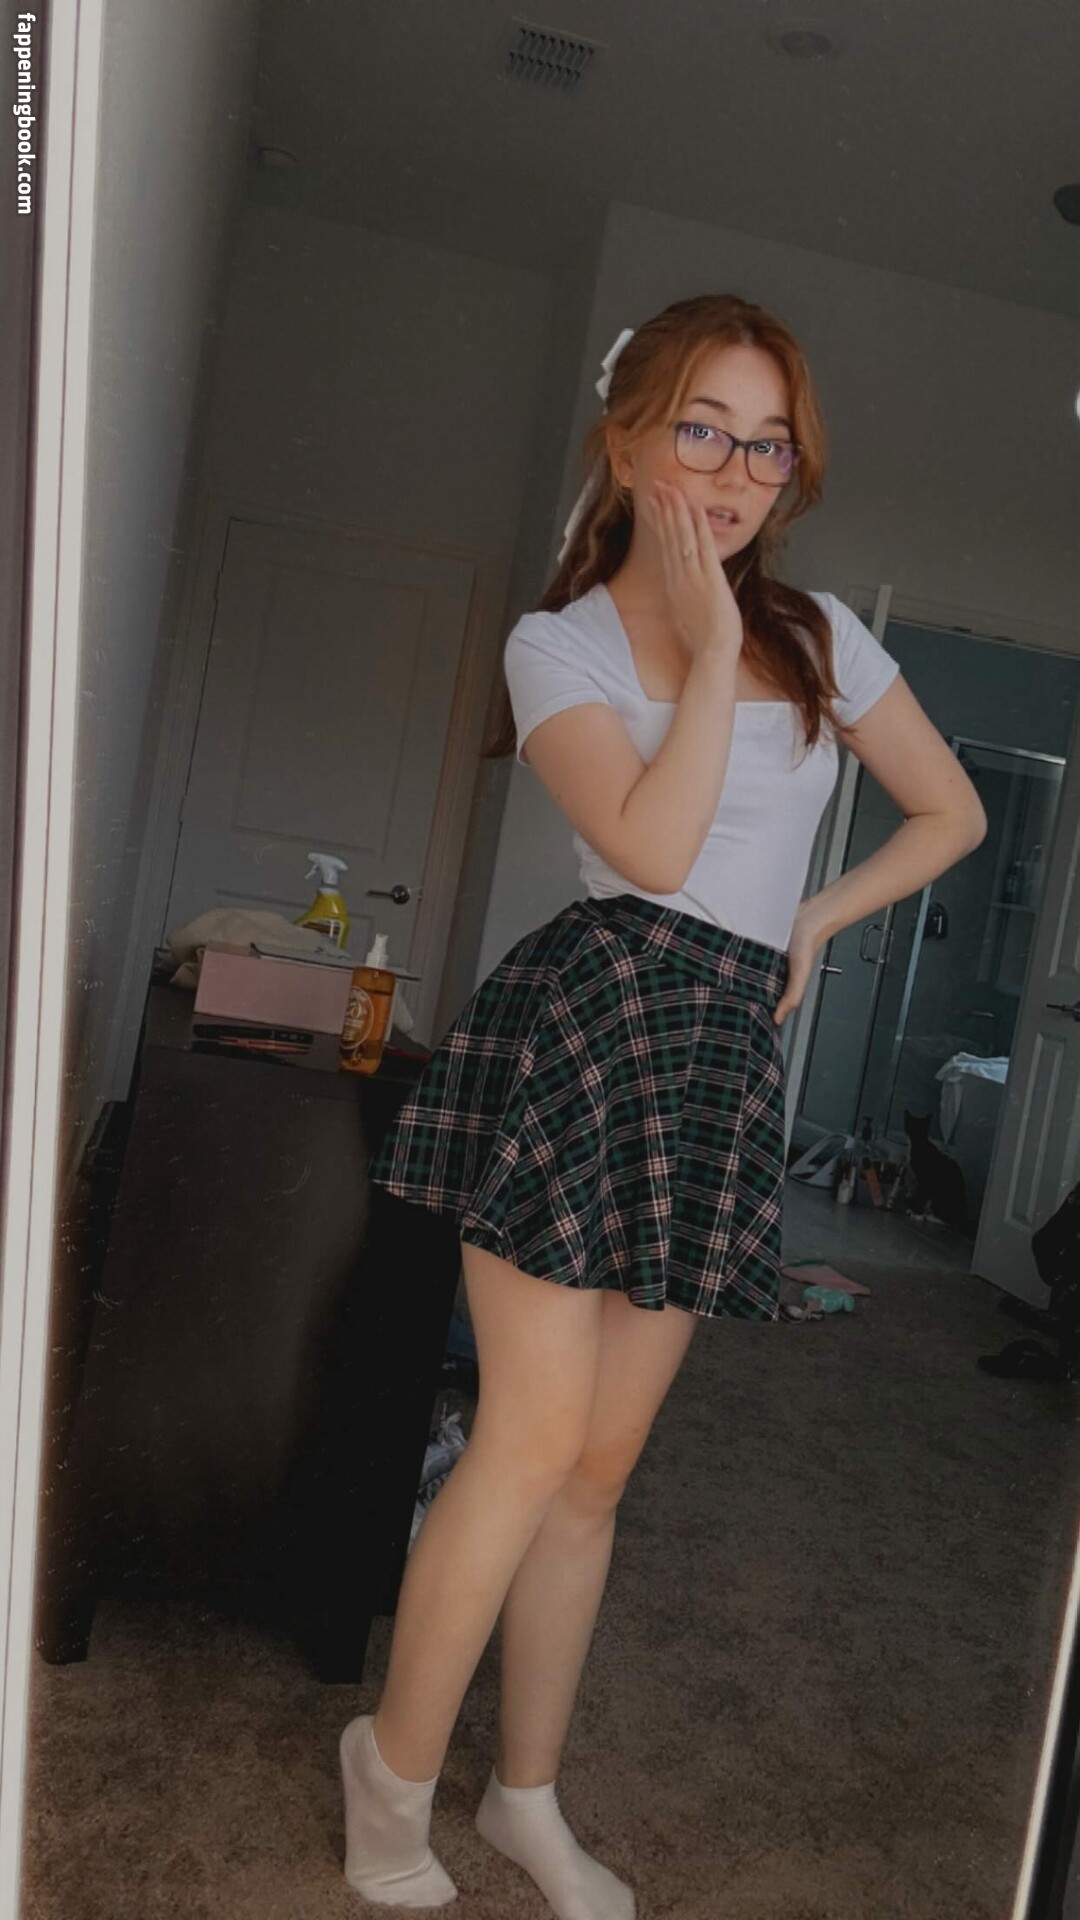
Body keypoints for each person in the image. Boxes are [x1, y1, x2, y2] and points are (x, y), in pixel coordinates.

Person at [337, 293, 987, 1916]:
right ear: (627, 445)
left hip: (719, 1050)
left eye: (768, 445)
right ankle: (389, 1775)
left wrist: (817, 922)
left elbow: (950, 811)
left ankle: (525, 1801)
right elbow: (651, 846)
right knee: (528, 1439)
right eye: (703, 429)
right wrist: (702, 650)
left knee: (602, 1467)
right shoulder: (554, 645)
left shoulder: (822, 635)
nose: (737, 473)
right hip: (598, 1019)